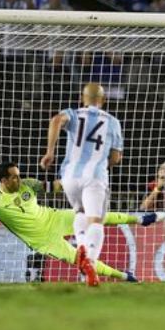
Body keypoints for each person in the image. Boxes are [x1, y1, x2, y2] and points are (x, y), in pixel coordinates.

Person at [0, 162, 165, 283]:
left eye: (19, 175)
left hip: (54, 217)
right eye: (14, 177)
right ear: (4, 180)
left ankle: (141, 219)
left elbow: (53, 187)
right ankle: (125, 277)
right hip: (44, 241)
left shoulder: (27, 184)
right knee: (82, 261)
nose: (19, 179)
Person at [40, 83, 124, 287]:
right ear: (103, 100)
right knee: (96, 220)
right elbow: (116, 156)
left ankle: (82, 246)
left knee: (79, 212)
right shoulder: (112, 122)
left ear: (82, 98)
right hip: (95, 176)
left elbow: (56, 120)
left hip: (69, 176)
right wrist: (106, 162)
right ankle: (91, 265)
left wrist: (50, 152)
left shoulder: (74, 114)